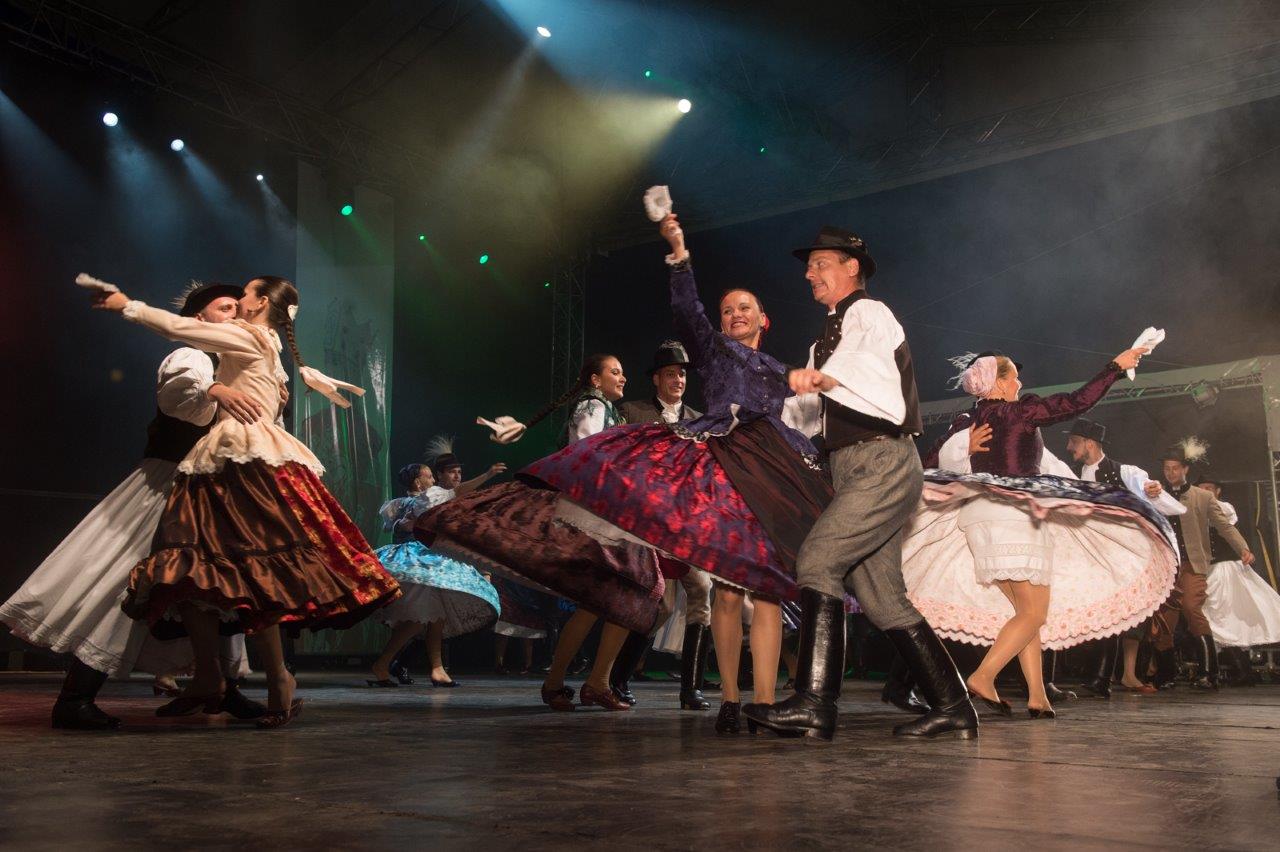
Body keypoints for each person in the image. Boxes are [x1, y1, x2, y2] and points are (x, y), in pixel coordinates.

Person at [523, 214, 834, 734]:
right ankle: (731, 700)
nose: (734, 314)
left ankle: (763, 702)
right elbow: (688, 310)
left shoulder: (780, 369)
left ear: (764, 319)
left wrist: (811, 382)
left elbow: (811, 403)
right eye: (727, 309)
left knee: (768, 592)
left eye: (744, 308)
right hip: (726, 464)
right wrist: (679, 253)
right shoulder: (713, 350)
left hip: (772, 468)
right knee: (728, 592)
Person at [91, 275, 401, 728]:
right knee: (206, 567)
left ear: (259, 304)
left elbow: (179, 328)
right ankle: (225, 677)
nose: (239, 299)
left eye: (246, 293)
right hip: (238, 458)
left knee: (232, 565)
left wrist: (126, 305)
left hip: (237, 458)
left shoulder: (248, 336)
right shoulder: (272, 347)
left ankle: (272, 679)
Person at [744, 226, 977, 742]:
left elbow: (861, 364)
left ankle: (815, 703)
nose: (810, 273)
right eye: (809, 267)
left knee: (818, 561)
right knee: (882, 597)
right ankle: (954, 706)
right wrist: (752, 417)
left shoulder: (869, 313)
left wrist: (824, 377)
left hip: (881, 460)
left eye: (820, 263)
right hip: (854, 465)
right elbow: (803, 412)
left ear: (852, 267)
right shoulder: (823, 340)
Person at [0, 282, 262, 729]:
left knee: (213, 588)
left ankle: (221, 688)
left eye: (239, 309)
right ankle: (76, 696)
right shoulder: (192, 355)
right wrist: (217, 391)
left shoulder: (232, 363)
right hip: (168, 485)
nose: (235, 315)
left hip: (210, 490)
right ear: (198, 319)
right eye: (225, 308)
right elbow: (179, 399)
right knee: (127, 580)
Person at [898, 348, 1180, 724]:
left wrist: (963, 446)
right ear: (999, 382)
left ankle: (1037, 696)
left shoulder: (968, 420)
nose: (1020, 382)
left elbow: (928, 462)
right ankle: (982, 676)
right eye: (1014, 376)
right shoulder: (1020, 412)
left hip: (978, 518)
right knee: (1034, 613)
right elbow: (1076, 402)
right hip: (1015, 517)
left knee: (1025, 614)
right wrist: (1115, 368)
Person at [419, 354, 663, 712]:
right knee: (628, 592)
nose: (623, 378)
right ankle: (579, 682)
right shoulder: (593, 405)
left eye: (623, 372)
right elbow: (589, 454)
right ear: (595, 380)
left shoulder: (606, 410)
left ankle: (583, 682)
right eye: (615, 372)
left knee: (612, 599)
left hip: (606, 512)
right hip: (596, 513)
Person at [614, 340, 714, 710]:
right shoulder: (633, 412)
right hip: (648, 522)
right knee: (660, 606)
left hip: (687, 523)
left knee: (701, 591)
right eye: (670, 373)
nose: (678, 380)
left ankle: (691, 689)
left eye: (682, 374)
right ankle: (617, 678)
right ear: (656, 379)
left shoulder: (700, 420)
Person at [1064, 418, 1185, 697]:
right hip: (1092, 555)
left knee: (1123, 614)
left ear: (1089, 443)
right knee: (1102, 614)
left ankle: (1108, 677)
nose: (1069, 447)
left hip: (1125, 554)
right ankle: (1103, 676)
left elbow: (1152, 492)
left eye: (1074, 441)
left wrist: (1153, 491)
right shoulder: (1073, 475)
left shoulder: (1124, 472)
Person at [367, 459, 502, 689]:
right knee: (418, 619)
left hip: (424, 562)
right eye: (429, 476)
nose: (432, 480)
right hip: (420, 562)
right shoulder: (429, 497)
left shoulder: (411, 502)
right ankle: (383, 664)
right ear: (418, 482)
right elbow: (457, 491)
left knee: (435, 617)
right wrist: (487, 474)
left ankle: (436, 669)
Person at [1151, 441, 1255, 690]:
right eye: (1167, 469)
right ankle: (1166, 674)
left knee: (1191, 607)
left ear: (1185, 469)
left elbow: (1224, 526)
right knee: (1164, 619)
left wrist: (1243, 548)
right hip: (1166, 566)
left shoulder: (1202, 496)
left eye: (1175, 468)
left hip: (1192, 563)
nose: (1171, 473)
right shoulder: (1158, 495)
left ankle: (1209, 672)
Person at [1197, 478, 1279, 686]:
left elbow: (1224, 524)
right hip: (1209, 569)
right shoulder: (1196, 510)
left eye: (1208, 489)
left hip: (1226, 569)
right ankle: (1238, 669)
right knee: (1215, 618)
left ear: (1217, 491)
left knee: (1226, 617)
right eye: (1201, 489)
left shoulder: (1224, 508)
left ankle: (1242, 669)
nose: (1204, 492)